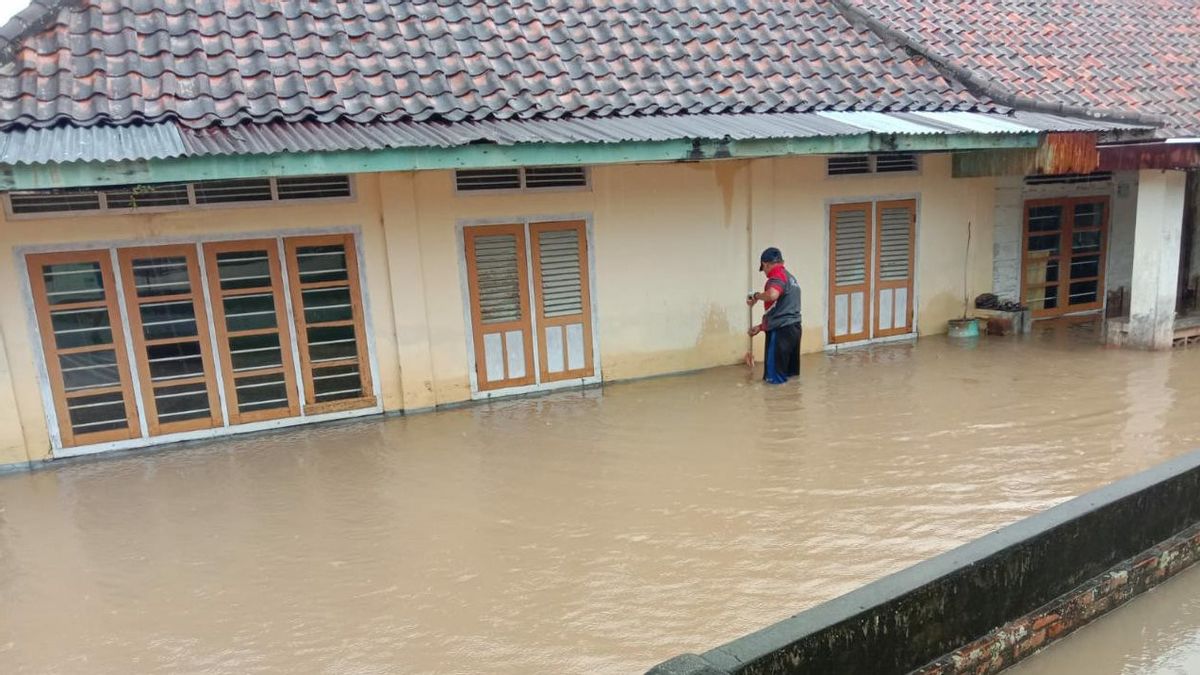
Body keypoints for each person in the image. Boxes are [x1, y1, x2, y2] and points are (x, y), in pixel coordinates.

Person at [747, 247, 802, 384]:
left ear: (766, 264)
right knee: (791, 378)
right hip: (794, 330)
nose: (765, 273)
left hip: (781, 332)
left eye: (763, 268)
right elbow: (783, 309)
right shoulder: (791, 278)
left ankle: (776, 405)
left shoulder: (776, 276)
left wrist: (757, 296)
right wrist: (761, 327)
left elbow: (772, 295)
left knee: (773, 381)